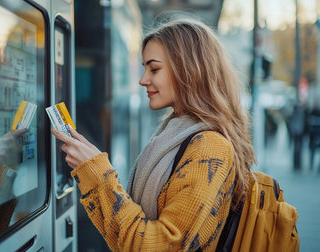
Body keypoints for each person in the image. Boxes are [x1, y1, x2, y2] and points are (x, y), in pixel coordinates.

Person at [52, 17, 255, 251]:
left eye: (154, 68)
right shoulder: (175, 134)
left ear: (189, 70)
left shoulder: (209, 147)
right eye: (144, 68)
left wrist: (95, 173)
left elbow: (161, 246)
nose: (142, 80)